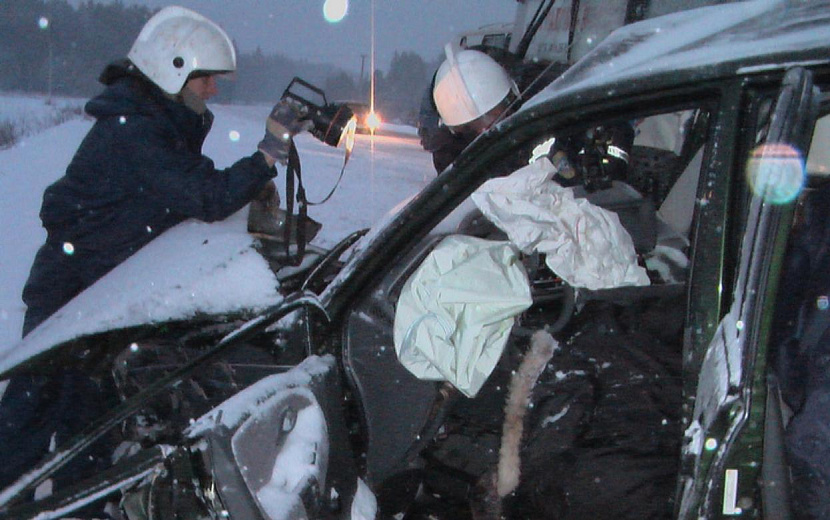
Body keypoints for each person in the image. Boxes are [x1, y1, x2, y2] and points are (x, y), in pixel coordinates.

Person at [0, 5, 307, 507]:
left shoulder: (156, 123)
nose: (213, 90)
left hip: (102, 288)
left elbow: (193, 187)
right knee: (35, 411)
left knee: (89, 416)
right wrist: (268, 154)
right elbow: (204, 195)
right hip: (73, 290)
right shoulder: (135, 132)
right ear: (175, 70)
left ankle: (80, 504)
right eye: (206, 79)